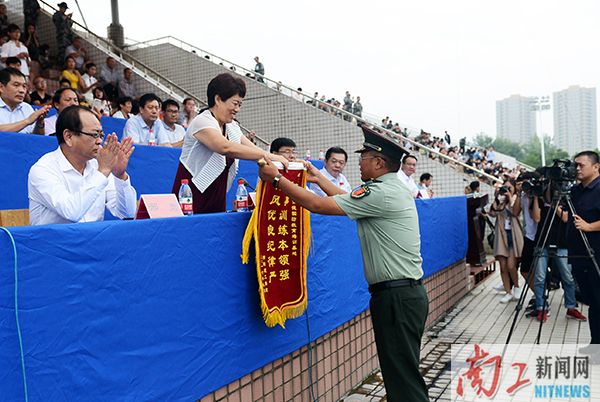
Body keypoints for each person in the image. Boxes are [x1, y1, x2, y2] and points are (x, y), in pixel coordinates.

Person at [258, 125, 429, 401]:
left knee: (404, 380)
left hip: (397, 297)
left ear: (378, 162)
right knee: (402, 374)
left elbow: (319, 206)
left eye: (363, 156)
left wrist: (276, 180)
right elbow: (343, 200)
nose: (358, 161)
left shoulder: (381, 193)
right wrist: (317, 178)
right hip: (402, 295)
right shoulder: (386, 190)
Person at [171, 73, 288, 214]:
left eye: (240, 104)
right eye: (235, 103)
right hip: (190, 196)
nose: (237, 109)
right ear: (218, 99)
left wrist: (285, 161)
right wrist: (274, 157)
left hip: (216, 197)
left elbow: (254, 151)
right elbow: (225, 147)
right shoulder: (202, 121)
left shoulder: (232, 127)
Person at [28, 105, 137, 225]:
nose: (100, 141)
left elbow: (127, 213)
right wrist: (103, 171)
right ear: (68, 137)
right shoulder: (43, 169)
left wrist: (119, 175)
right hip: (56, 242)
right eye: (95, 135)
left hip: (92, 241)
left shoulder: (97, 165)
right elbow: (71, 212)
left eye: (101, 135)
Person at [530, 182, 586, 322]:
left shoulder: (565, 198)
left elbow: (566, 218)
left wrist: (554, 205)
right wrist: (537, 197)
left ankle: (571, 307)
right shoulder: (540, 200)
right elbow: (536, 218)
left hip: (561, 242)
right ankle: (541, 307)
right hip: (542, 242)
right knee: (540, 277)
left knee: (568, 277)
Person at [568, 151, 600, 361]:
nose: (577, 169)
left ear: (596, 167)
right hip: (579, 255)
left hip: (597, 254)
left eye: (581, 165)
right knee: (592, 302)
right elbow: (568, 218)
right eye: (575, 165)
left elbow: (585, 224)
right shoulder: (574, 191)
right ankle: (595, 343)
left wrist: (590, 227)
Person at [487, 181, 524, 303]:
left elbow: (515, 212)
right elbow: (492, 213)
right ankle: (508, 291)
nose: (506, 190)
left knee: (511, 265)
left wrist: (509, 198)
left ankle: (517, 286)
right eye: (505, 188)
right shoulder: (500, 201)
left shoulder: (516, 199)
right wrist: (497, 197)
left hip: (513, 236)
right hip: (501, 237)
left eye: (509, 188)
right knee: (503, 266)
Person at [0, 67, 49, 134]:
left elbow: (37, 138)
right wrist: (27, 121)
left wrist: (39, 123)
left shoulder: (27, 108)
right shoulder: (29, 118)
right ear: (1, 87)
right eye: (16, 85)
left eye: (24, 86)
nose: (22, 90)